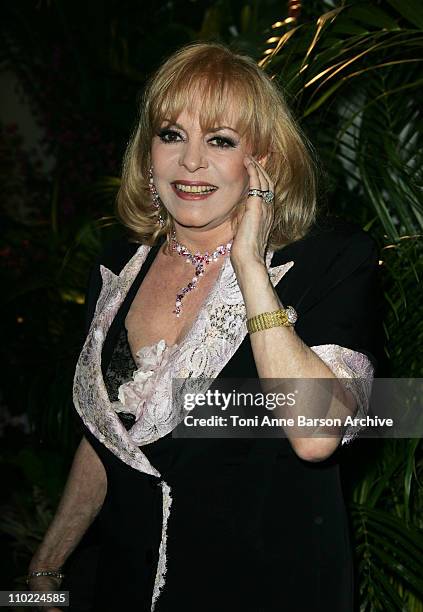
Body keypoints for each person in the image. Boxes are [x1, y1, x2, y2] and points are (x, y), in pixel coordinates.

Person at [27, 41, 380, 611]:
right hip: (121, 588)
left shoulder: (331, 262)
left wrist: (249, 269)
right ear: (148, 155)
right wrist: (44, 567)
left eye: (220, 140)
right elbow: (113, 439)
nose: (192, 162)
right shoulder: (117, 266)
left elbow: (317, 436)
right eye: (171, 135)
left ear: (262, 159)